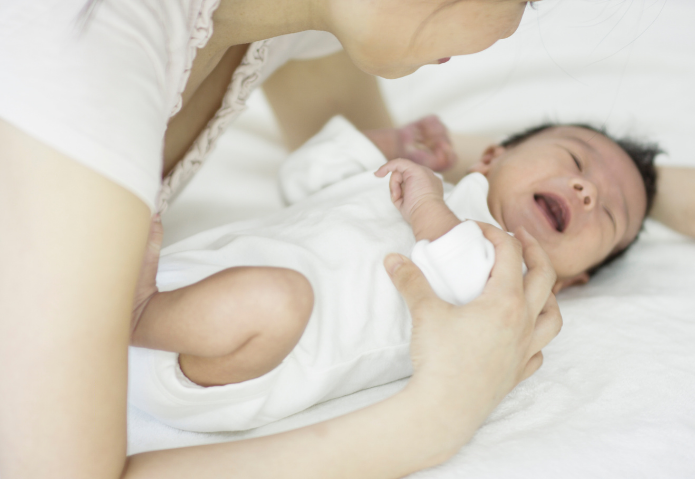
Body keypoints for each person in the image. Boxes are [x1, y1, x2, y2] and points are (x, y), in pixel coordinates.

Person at [0, 0, 682, 477]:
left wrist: (634, 192)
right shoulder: (80, 58)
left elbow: (401, 160)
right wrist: (433, 418)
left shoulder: (296, 16)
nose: (508, 32)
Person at [122, 116, 657, 432]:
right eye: (574, 159)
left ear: (574, 279)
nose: (587, 192)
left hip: (231, 364)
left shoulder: (513, 282)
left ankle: (134, 316)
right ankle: (121, 308)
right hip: (183, 278)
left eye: (608, 215)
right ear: (492, 156)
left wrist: (427, 209)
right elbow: (305, 175)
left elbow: (468, 283)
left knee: (275, 298)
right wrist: (389, 147)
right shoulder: (417, 182)